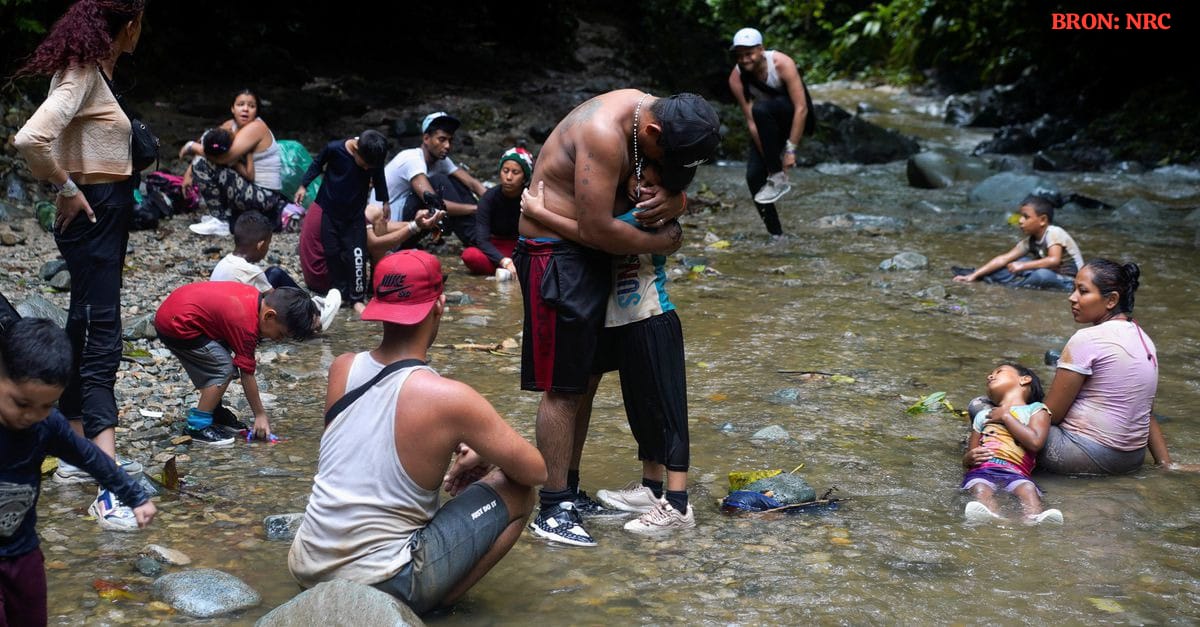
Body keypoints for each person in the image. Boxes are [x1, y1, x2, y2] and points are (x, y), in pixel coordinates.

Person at [288, 250, 546, 614]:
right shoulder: (448, 398)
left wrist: (470, 445)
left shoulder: (342, 368)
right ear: (439, 305)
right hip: (382, 579)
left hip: (306, 564)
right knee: (519, 491)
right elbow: (537, 470)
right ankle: (430, 606)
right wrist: (485, 452)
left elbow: (368, 446)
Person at [515, 89, 718, 546]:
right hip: (556, 257)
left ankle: (568, 488)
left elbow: (664, 184)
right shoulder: (605, 133)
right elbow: (598, 230)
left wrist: (677, 202)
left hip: (590, 256)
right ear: (653, 133)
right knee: (563, 387)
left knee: (584, 380)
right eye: (664, 156)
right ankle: (552, 508)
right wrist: (666, 241)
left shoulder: (650, 119)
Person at [13, 0, 148, 530]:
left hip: (104, 212)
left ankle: (72, 447)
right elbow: (30, 137)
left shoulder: (95, 70)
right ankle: (108, 479)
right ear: (130, 25)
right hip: (93, 212)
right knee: (103, 332)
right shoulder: (83, 71)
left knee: (83, 322)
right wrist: (65, 188)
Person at [521, 162, 695, 533]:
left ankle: (678, 504)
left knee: (668, 409)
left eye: (654, 186)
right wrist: (678, 201)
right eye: (641, 181)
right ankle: (651, 489)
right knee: (642, 406)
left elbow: (592, 234)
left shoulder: (644, 215)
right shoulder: (629, 205)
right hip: (625, 323)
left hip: (654, 316)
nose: (644, 190)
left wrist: (540, 213)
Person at [0, 319, 156, 623]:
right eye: (21, 404)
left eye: (46, 405)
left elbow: (91, 458)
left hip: (23, 551)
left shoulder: (46, 425)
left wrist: (134, 495)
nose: (32, 416)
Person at [154, 283, 318, 445]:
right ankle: (197, 427)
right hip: (177, 324)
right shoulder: (246, 326)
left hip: (177, 309)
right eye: (281, 334)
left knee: (219, 359)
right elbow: (247, 374)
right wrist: (260, 415)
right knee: (223, 369)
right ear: (269, 316)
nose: (279, 339)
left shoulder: (253, 298)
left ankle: (214, 412)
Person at [727, 27, 813, 236]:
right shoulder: (736, 78)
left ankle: (777, 175)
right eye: (740, 56)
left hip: (796, 117)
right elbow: (751, 122)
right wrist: (770, 158)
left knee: (761, 108)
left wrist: (790, 150)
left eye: (749, 53)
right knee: (754, 175)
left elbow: (802, 108)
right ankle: (776, 234)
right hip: (766, 125)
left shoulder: (782, 63)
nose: (745, 59)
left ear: (761, 49)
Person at [294, 130, 390, 313]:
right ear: (355, 150)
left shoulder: (372, 160)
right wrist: (303, 185)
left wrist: (385, 201)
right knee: (333, 253)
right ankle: (341, 293)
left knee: (357, 255)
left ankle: (357, 299)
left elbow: (379, 177)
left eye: (372, 166)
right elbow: (317, 164)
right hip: (329, 211)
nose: (367, 169)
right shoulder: (334, 149)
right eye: (365, 165)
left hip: (354, 215)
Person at [961, 363, 1063, 525]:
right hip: (983, 470)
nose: (990, 376)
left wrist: (1006, 417)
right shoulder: (983, 415)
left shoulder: (1036, 409)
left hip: (1016, 472)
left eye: (999, 372)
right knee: (980, 488)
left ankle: (1034, 518)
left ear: (1025, 380)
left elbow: (1036, 442)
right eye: (990, 373)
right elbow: (970, 456)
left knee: (1028, 489)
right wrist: (968, 458)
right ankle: (990, 514)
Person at [211, 211, 341, 331]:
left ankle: (312, 306)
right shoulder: (250, 271)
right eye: (267, 245)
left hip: (221, 322)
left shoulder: (224, 263)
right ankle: (313, 314)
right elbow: (279, 299)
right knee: (276, 275)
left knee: (272, 276)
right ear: (260, 245)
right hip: (244, 327)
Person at [181, 89, 290, 234]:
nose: (245, 109)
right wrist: (189, 173)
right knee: (204, 160)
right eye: (240, 104)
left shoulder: (256, 127)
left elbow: (225, 158)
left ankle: (221, 220)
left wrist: (191, 147)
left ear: (256, 111)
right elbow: (207, 144)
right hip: (248, 186)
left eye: (251, 106)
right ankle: (222, 215)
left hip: (265, 196)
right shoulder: (230, 125)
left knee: (204, 163)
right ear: (233, 108)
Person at [383, 112, 487, 248]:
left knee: (456, 181)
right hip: (391, 233)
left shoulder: (440, 161)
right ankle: (476, 240)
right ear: (426, 138)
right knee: (439, 181)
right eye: (442, 140)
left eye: (450, 140)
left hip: (413, 225)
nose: (447, 146)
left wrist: (496, 201)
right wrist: (477, 208)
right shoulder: (412, 159)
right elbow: (434, 202)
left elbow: (473, 184)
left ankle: (483, 234)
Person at [952, 195, 1083, 290]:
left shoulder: (1054, 232)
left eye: (1026, 217)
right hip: (1049, 273)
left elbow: (1054, 260)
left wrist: (1022, 266)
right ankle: (986, 277)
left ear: (1043, 220)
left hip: (1069, 280)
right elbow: (1003, 259)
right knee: (1011, 265)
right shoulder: (1030, 241)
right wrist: (974, 275)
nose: (1020, 221)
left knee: (1039, 274)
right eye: (1021, 216)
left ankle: (1011, 286)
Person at [460, 147, 534, 277]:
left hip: (521, 248)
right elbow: (482, 239)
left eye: (515, 172)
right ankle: (512, 271)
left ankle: (507, 271)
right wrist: (503, 261)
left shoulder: (530, 197)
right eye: (505, 171)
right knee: (470, 255)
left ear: (524, 177)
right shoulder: (489, 198)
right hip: (495, 249)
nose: (509, 177)